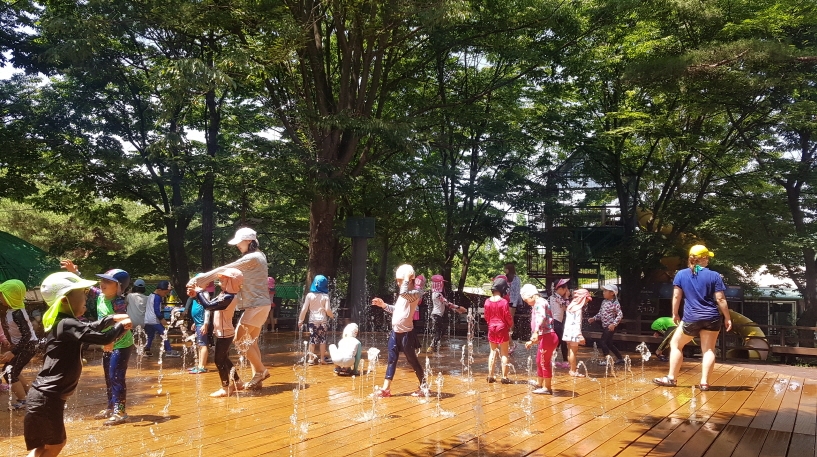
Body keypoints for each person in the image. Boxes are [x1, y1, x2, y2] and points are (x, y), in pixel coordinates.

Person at [25, 272, 131, 457]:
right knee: (56, 444)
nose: (86, 298)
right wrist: (121, 326)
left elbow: (89, 328)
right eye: (82, 294)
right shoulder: (67, 323)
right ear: (65, 301)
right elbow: (104, 338)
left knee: (43, 447)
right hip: (48, 398)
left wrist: (110, 319)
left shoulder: (64, 322)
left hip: (43, 396)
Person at [188, 227, 271, 389]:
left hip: (257, 306)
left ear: (249, 241)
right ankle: (257, 378)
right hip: (260, 305)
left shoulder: (253, 257)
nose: (237, 245)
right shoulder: (259, 255)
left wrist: (199, 280)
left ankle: (261, 371)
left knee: (239, 340)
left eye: (240, 242)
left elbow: (225, 269)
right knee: (250, 342)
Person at [654, 245, 732, 391]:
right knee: (708, 350)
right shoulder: (714, 275)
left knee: (676, 344)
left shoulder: (681, 274)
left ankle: (671, 378)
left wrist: (675, 313)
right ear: (703, 258)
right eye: (707, 258)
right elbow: (720, 299)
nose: (708, 260)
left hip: (691, 318)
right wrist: (727, 318)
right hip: (712, 317)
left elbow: (676, 296)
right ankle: (704, 383)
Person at [187, 268, 244, 397]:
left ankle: (226, 388)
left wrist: (199, 292)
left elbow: (209, 306)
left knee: (219, 361)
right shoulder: (224, 294)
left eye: (223, 281)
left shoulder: (229, 297)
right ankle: (238, 381)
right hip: (223, 332)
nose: (219, 283)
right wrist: (196, 295)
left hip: (225, 334)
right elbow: (209, 304)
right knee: (225, 359)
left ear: (231, 283)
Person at [371, 264, 425, 397]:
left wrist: (406, 278)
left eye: (400, 280)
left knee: (412, 360)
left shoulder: (416, 293)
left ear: (409, 279)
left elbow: (405, 294)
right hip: (395, 332)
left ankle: (424, 386)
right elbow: (397, 310)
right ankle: (386, 389)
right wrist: (383, 305)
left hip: (407, 334)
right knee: (391, 359)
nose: (398, 283)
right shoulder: (403, 294)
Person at [0, 279, 38, 410]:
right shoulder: (13, 310)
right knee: (13, 370)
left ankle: (23, 400)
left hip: (28, 346)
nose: (0, 298)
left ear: (10, 297)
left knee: (9, 372)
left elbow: (27, 336)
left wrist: (13, 351)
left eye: (2, 295)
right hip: (25, 346)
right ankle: (31, 396)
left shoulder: (18, 313)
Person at [521, 284, 559, 394]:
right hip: (546, 336)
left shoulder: (539, 303)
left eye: (526, 300)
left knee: (544, 362)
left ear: (532, 296)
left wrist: (536, 331)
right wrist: (532, 341)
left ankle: (547, 388)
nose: (527, 303)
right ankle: (539, 383)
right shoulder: (539, 303)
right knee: (539, 361)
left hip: (548, 337)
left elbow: (541, 317)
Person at [297, 275, 334, 365]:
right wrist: (332, 316)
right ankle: (322, 359)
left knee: (312, 339)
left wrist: (300, 320)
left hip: (312, 321)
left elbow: (304, 309)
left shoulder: (309, 295)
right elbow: (328, 310)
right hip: (323, 321)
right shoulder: (325, 296)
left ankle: (311, 359)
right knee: (322, 340)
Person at [484, 277, 513, 384]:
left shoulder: (487, 301)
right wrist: (510, 325)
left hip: (492, 327)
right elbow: (507, 316)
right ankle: (504, 377)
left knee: (492, 352)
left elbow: (486, 316)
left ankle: (490, 375)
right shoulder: (504, 302)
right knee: (504, 353)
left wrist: (491, 323)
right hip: (502, 328)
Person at [426, 274, 466, 353]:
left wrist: (456, 310)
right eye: (442, 283)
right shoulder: (437, 294)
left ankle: (433, 346)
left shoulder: (435, 294)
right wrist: (459, 307)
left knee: (440, 331)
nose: (443, 284)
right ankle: (431, 346)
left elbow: (445, 304)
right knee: (440, 331)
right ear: (439, 284)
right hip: (437, 315)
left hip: (436, 315)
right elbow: (447, 303)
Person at [588, 284, 624, 366]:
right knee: (609, 343)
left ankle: (607, 360)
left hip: (610, 326)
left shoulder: (615, 303)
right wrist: (594, 318)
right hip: (605, 326)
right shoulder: (604, 302)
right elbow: (601, 313)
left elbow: (620, 315)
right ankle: (620, 358)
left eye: (605, 291)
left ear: (612, 293)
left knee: (602, 341)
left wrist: (614, 324)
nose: (603, 292)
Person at [143, 281, 180, 358]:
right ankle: (169, 350)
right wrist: (162, 319)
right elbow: (157, 310)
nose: (165, 294)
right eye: (165, 292)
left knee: (150, 335)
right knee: (164, 334)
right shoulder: (157, 297)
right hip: (154, 320)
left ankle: (147, 349)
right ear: (159, 290)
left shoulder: (150, 295)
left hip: (147, 320)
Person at [186, 276, 212, 374]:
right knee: (199, 344)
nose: (197, 284)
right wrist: (195, 322)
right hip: (198, 322)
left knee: (203, 344)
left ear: (206, 284)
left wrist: (205, 324)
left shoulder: (204, 294)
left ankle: (202, 366)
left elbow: (207, 309)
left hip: (202, 323)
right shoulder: (198, 294)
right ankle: (200, 365)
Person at [563, 289, 592, 377]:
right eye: (586, 299)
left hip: (567, 331)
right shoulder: (578, 309)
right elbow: (577, 323)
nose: (587, 302)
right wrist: (580, 336)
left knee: (569, 350)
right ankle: (573, 371)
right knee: (573, 352)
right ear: (582, 298)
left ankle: (571, 368)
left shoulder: (570, 306)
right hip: (574, 332)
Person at [549, 278, 571, 368]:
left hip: (556, 322)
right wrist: (567, 297)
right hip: (556, 321)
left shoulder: (554, 297)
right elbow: (568, 307)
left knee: (557, 342)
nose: (567, 291)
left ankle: (551, 360)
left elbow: (565, 308)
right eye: (566, 289)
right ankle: (565, 361)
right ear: (561, 289)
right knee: (563, 341)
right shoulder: (557, 297)